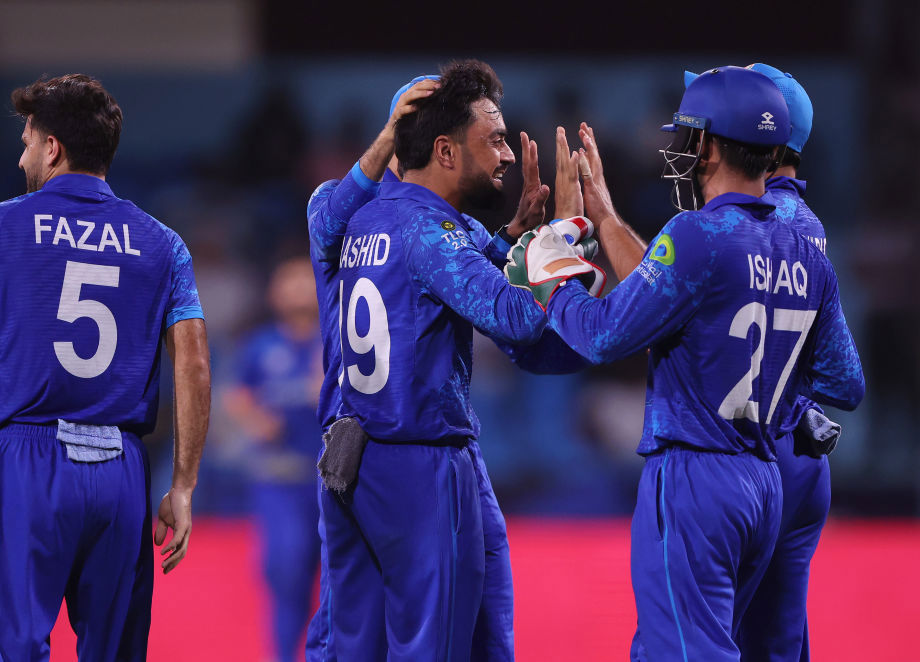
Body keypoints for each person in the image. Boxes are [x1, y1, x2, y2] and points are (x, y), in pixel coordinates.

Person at [506, 66, 865, 661]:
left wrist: (551, 268)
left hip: (697, 476)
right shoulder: (807, 248)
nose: (679, 149)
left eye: (688, 136)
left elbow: (600, 337)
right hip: (764, 481)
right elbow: (843, 379)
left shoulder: (696, 234)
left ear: (711, 146)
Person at [0, 74, 210, 661]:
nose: (21, 152)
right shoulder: (164, 243)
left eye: (27, 139)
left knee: (9, 649)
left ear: (53, 148)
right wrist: (182, 483)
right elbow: (194, 366)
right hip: (120, 468)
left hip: (27, 458)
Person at [306, 71, 559, 662]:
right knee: (445, 642)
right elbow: (516, 318)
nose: (505, 155)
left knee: (349, 644)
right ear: (439, 148)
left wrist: (517, 238)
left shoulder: (346, 218)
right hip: (421, 459)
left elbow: (473, 254)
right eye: (494, 140)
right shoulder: (433, 231)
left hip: (346, 457)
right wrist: (560, 244)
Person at [729, 63, 837, 662]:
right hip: (802, 450)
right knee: (780, 643)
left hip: (755, 453)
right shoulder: (809, 225)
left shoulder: (755, 223)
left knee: (712, 637)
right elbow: (842, 373)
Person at [223, 255, 324, 662]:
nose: (297, 288)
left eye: (306, 279)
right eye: (289, 280)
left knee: (339, 580)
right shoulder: (260, 345)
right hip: (278, 478)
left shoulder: (336, 339)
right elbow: (236, 395)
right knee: (286, 570)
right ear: (273, 292)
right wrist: (256, 419)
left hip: (330, 482)